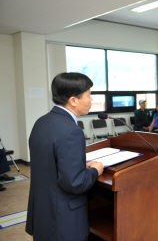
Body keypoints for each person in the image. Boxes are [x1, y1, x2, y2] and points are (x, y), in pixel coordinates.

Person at [26, 73, 104, 241]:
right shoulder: (71, 131)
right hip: (64, 222)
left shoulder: (41, 122)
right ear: (73, 100)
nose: (91, 100)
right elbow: (75, 183)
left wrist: (79, 165)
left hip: (43, 216)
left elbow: (51, 165)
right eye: (89, 95)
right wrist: (95, 171)